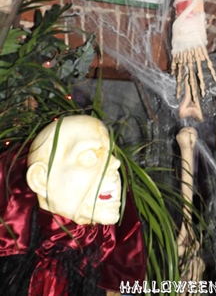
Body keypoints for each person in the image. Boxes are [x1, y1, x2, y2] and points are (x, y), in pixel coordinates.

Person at [0, 115, 146, 296]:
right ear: (40, 179)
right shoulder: (12, 268)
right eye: (89, 156)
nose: (115, 164)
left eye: (110, 154)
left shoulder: (115, 263)